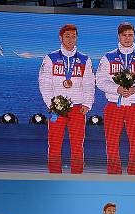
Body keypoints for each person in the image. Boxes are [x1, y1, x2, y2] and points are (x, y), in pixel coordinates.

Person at [96, 22, 135, 175]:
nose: (127, 38)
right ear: (119, 36)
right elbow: (100, 81)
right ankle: (114, 174)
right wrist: (117, 89)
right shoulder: (108, 57)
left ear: (134, 36)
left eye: (130, 35)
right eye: (124, 35)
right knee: (112, 142)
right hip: (113, 105)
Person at [38, 24, 95, 174]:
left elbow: (89, 83)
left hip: (77, 108)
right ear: (61, 38)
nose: (71, 39)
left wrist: (87, 103)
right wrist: (52, 103)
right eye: (67, 36)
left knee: (77, 145)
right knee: (54, 144)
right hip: (57, 109)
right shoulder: (50, 58)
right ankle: (54, 176)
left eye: (74, 36)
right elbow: (44, 83)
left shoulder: (84, 59)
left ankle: (77, 176)